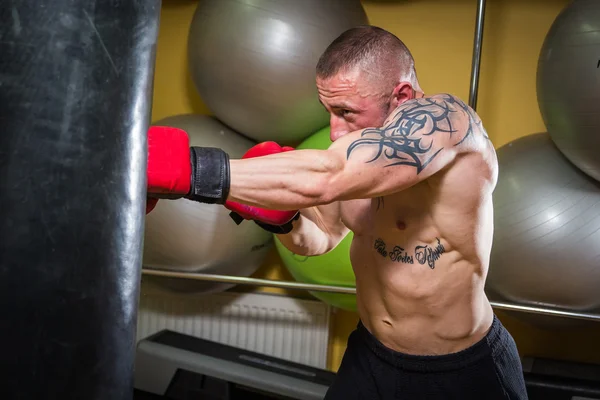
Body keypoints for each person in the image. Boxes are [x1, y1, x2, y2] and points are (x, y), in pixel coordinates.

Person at [147, 25, 528, 400]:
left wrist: (191, 169)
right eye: (329, 111)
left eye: (346, 111)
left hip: (459, 370)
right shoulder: (352, 152)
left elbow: (331, 174)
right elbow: (321, 239)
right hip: (371, 355)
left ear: (402, 96)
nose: (334, 131)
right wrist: (282, 219)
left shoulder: (446, 122)